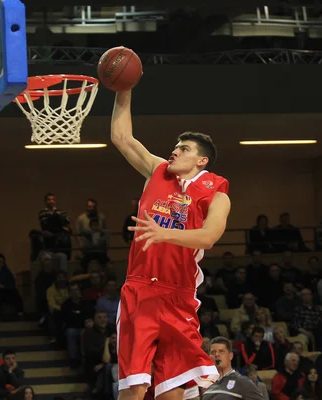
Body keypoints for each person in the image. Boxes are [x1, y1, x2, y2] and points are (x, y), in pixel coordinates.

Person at [111, 89, 231, 400]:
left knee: (172, 390)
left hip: (179, 296)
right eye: (175, 147)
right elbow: (122, 138)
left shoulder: (216, 193)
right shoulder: (157, 171)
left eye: (184, 148)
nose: (174, 152)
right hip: (142, 289)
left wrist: (165, 234)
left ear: (201, 160)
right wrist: (124, 91)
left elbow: (209, 237)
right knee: (135, 384)